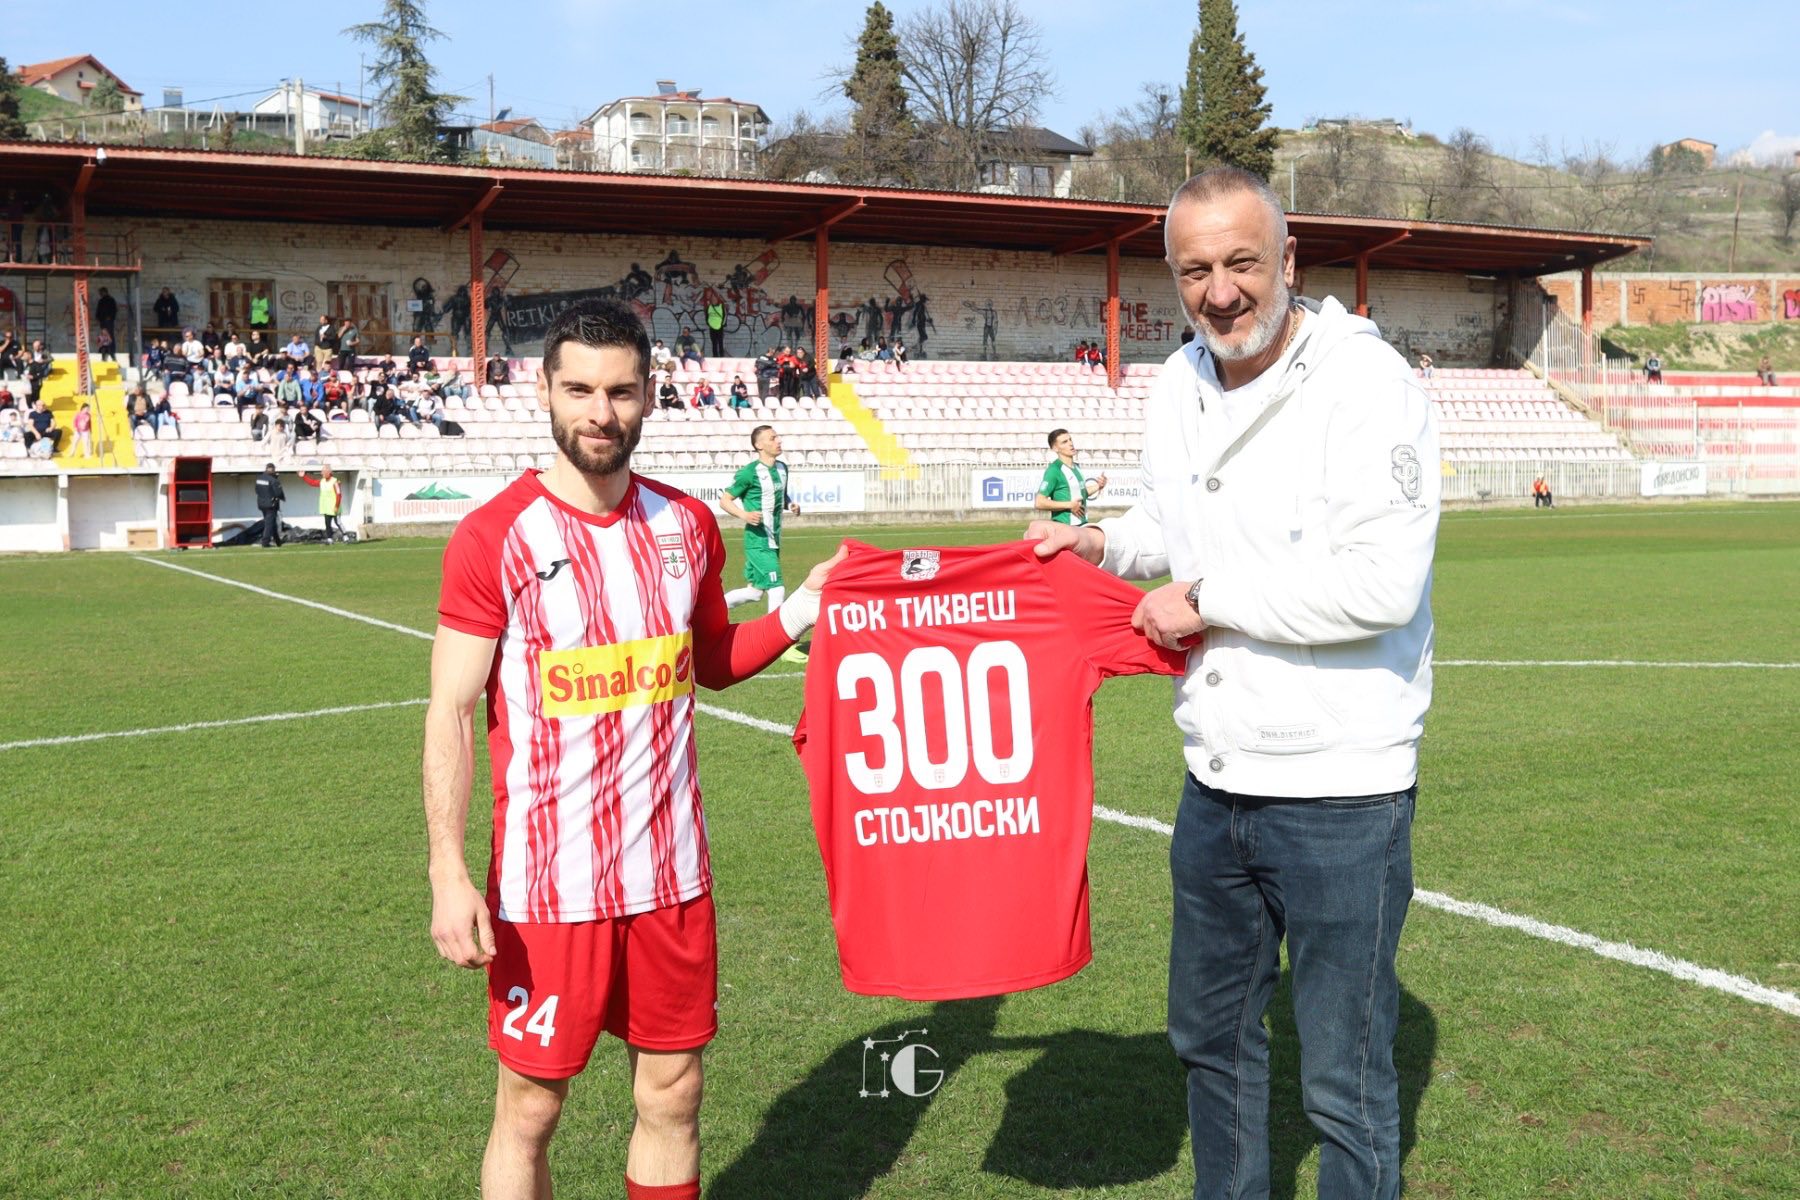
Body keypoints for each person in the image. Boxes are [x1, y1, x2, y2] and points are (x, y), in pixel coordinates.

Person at [1029, 166, 1438, 1200]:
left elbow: (1382, 585)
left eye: (1243, 263)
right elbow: (1168, 521)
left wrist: (1207, 602)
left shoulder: (1368, 382)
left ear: (1289, 260)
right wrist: (1099, 543)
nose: (1220, 292)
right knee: (1210, 1044)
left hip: (1342, 790)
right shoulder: (1179, 379)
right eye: (1195, 270)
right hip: (1215, 783)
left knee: (1343, 1078)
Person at [422, 298, 840, 1200]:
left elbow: (713, 660)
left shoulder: (686, 525)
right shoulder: (494, 537)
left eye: (619, 391)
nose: (599, 412)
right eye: (579, 390)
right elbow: (451, 710)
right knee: (530, 1110)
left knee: (674, 1095)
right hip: (547, 888)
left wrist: (803, 607)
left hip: (671, 878)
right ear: (544, 391)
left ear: (649, 395)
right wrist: (447, 873)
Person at [718, 425, 807, 664]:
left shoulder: (782, 468)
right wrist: (744, 515)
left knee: (754, 593)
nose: (778, 440)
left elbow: (780, 496)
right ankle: (777, 645)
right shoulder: (749, 473)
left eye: (777, 436)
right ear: (759, 445)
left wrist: (790, 505)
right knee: (777, 588)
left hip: (774, 539)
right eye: (772, 438)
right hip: (757, 541)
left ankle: (712, 610)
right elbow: (725, 500)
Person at [1034, 427, 1107, 526]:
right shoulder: (1054, 470)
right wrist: (1069, 505)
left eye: (1070, 440)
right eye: (1064, 442)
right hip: (1065, 527)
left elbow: (1081, 493)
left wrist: (1098, 486)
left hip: (1082, 525)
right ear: (1055, 448)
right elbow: (1039, 502)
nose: (1070, 444)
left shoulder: (1076, 467)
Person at [300, 464, 345, 542]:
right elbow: (312, 483)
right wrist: (304, 476)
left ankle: (346, 536)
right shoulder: (322, 481)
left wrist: (336, 506)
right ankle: (329, 539)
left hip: (334, 507)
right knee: (327, 524)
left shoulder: (335, 482)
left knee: (338, 522)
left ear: (328, 472)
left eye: (323, 471)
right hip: (326, 507)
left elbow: (339, 494)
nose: (321, 473)